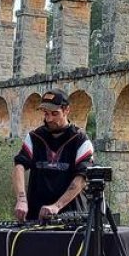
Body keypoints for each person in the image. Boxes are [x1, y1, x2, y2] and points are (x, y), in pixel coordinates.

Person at [13, 88, 95, 222]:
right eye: (46, 113)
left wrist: (57, 206)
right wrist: (21, 199)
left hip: (70, 219)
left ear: (66, 110)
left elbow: (82, 177)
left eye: (54, 113)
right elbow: (19, 166)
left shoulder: (80, 140)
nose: (49, 118)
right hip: (36, 216)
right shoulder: (34, 137)